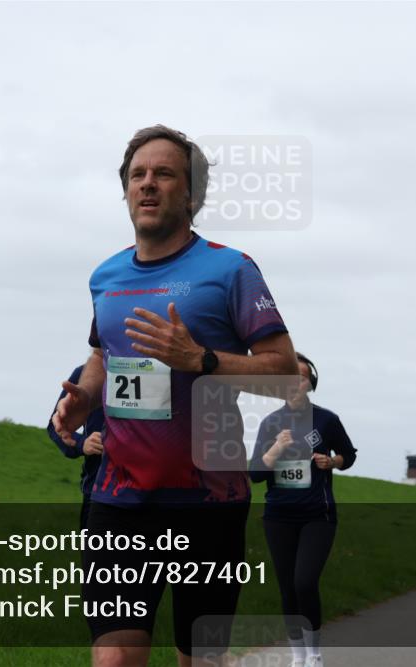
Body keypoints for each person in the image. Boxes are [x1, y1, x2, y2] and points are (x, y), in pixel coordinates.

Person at [51, 125, 298, 667]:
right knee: (114, 658)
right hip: (118, 498)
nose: (148, 184)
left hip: (207, 502)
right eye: (137, 175)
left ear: (191, 193)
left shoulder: (231, 269)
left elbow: (284, 373)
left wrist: (201, 361)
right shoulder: (105, 277)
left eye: (164, 173)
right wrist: (81, 399)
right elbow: (102, 356)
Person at [250, 352, 357, 667]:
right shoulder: (270, 423)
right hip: (279, 517)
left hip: (317, 515)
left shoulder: (327, 420)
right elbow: (256, 474)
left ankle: (314, 653)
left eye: (300, 377)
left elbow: (348, 455)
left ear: (310, 384)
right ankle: (298, 656)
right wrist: (276, 449)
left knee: (304, 583)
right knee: (287, 588)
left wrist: (332, 461)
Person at [47, 364, 105, 529]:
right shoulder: (87, 374)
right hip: (97, 489)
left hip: (159, 493)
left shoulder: (166, 369)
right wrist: (82, 443)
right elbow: (55, 425)